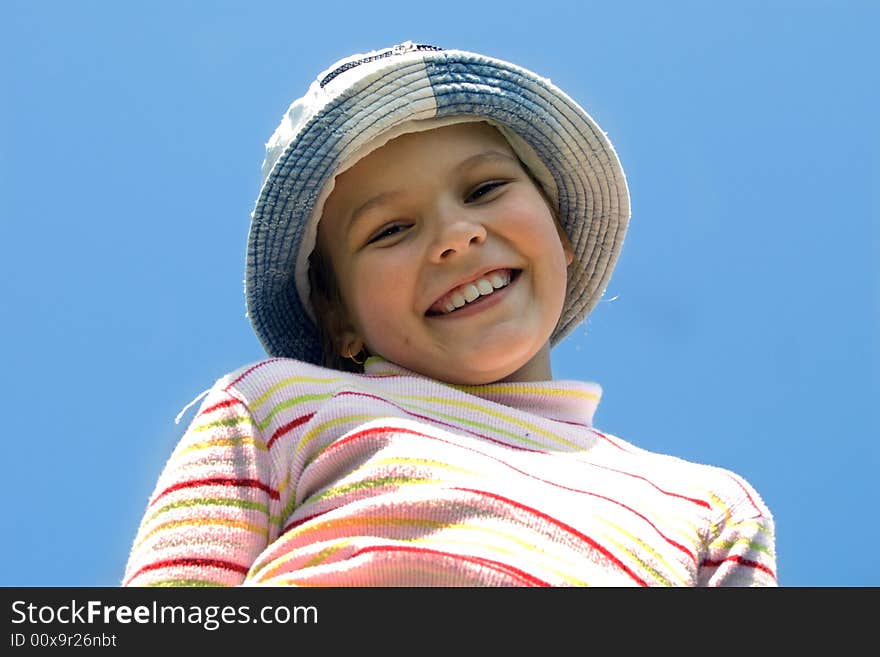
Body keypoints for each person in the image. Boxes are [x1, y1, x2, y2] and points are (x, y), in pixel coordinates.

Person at [123, 41, 777, 587]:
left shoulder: (707, 506)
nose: (456, 234)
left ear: (562, 233)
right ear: (336, 318)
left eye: (486, 188)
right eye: (390, 229)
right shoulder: (274, 407)